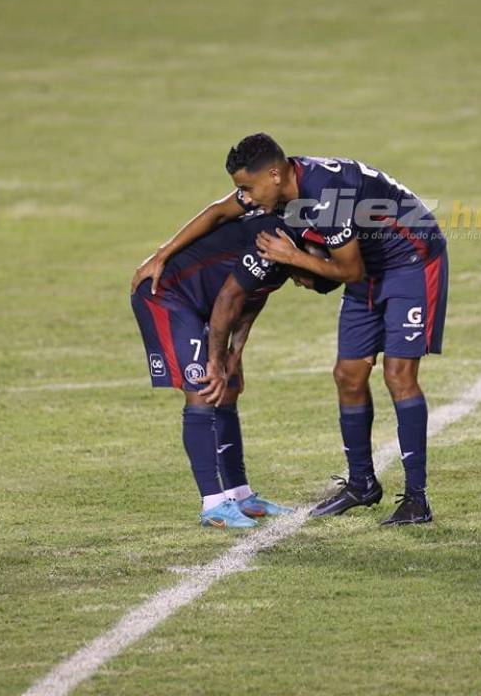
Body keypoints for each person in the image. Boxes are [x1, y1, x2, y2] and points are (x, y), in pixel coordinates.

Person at [133, 133, 448, 526]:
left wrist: (292, 257)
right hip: (363, 265)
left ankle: (417, 499)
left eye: (248, 188)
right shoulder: (282, 190)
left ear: (275, 174)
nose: (244, 197)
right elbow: (219, 214)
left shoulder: (324, 199)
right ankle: (361, 484)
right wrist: (161, 254)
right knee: (347, 375)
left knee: (398, 374)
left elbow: (348, 271)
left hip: (410, 261)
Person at [130, 211, 337, 528]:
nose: (298, 282)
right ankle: (212, 505)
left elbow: (251, 299)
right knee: (203, 390)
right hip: (167, 294)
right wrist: (215, 361)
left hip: (204, 302)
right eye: (303, 279)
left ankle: (240, 496)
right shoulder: (272, 244)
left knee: (229, 387)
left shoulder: (285, 256)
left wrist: (235, 354)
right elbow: (229, 298)